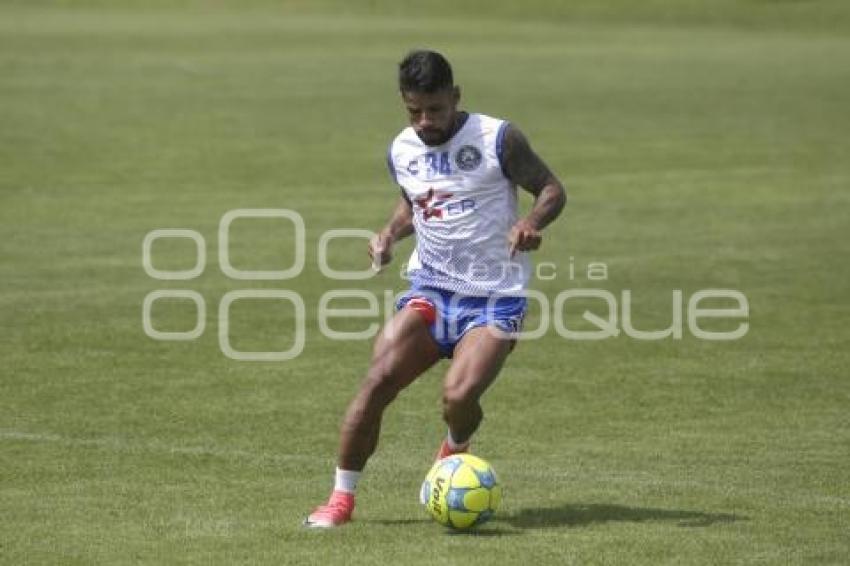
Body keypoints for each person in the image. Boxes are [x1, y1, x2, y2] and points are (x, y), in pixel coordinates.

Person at [304, 49, 566, 527]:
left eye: (436, 109)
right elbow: (416, 205)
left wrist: (530, 222)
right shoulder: (402, 148)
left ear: (456, 97)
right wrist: (387, 235)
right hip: (432, 289)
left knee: (458, 397)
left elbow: (552, 189)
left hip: (494, 298)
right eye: (414, 111)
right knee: (378, 378)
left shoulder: (497, 138)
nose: (425, 121)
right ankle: (340, 501)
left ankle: (455, 448)